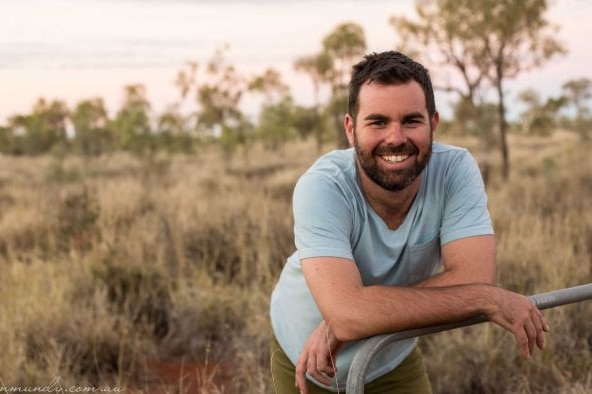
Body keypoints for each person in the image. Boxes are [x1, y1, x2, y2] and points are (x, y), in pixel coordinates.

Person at [269, 51, 548, 394]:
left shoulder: (456, 170)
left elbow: (476, 278)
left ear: (433, 124)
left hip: (390, 353)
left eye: (411, 121)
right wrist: (485, 299)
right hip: (307, 359)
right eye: (378, 122)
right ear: (350, 128)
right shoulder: (322, 185)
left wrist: (345, 320)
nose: (396, 137)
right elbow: (348, 314)